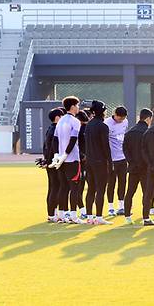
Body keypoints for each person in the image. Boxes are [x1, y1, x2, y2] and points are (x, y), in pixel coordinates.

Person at [50, 96, 83, 224]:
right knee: (74, 188)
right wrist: (65, 154)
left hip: (62, 161)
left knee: (63, 187)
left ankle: (61, 215)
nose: (78, 108)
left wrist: (57, 155)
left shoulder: (61, 121)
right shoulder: (75, 121)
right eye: (77, 105)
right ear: (73, 106)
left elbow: (55, 139)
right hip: (72, 159)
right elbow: (74, 139)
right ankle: (74, 216)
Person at [83, 100, 112, 225]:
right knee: (100, 189)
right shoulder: (103, 126)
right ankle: (99, 217)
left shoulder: (89, 125)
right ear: (102, 111)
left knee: (91, 189)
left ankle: (89, 216)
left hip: (89, 161)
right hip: (100, 161)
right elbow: (105, 146)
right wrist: (110, 162)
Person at [122, 108, 152, 224]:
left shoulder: (130, 132)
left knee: (130, 192)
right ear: (148, 118)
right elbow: (148, 150)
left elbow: (125, 149)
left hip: (133, 167)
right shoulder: (147, 132)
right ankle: (146, 217)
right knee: (147, 192)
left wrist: (131, 162)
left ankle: (127, 216)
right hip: (145, 167)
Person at [105, 106, 128, 216]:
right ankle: (110, 207)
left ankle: (121, 206)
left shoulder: (125, 122)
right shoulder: (107, 124)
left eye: (123, 118)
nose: (121, 120)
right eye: (120, 118)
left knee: (123, 182)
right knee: (111, 183)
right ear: (115, 114)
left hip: (122, 157)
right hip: (112, 158)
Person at [43, 107, 65, 222]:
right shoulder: (55, 129)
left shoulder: (50, 129)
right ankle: (53, 214)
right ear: (57, 118)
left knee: (53, 187)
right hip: (54, 162)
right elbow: (52, 148)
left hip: (50, 161)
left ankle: (52, 213)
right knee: (56, 187)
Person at [76, 110, 89, 219]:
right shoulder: (81, 129)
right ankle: (83, 210)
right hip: (83, 161)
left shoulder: (80, 129)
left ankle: (83, 210)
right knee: (80, 186)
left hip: (82, 161)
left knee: (79, 186)